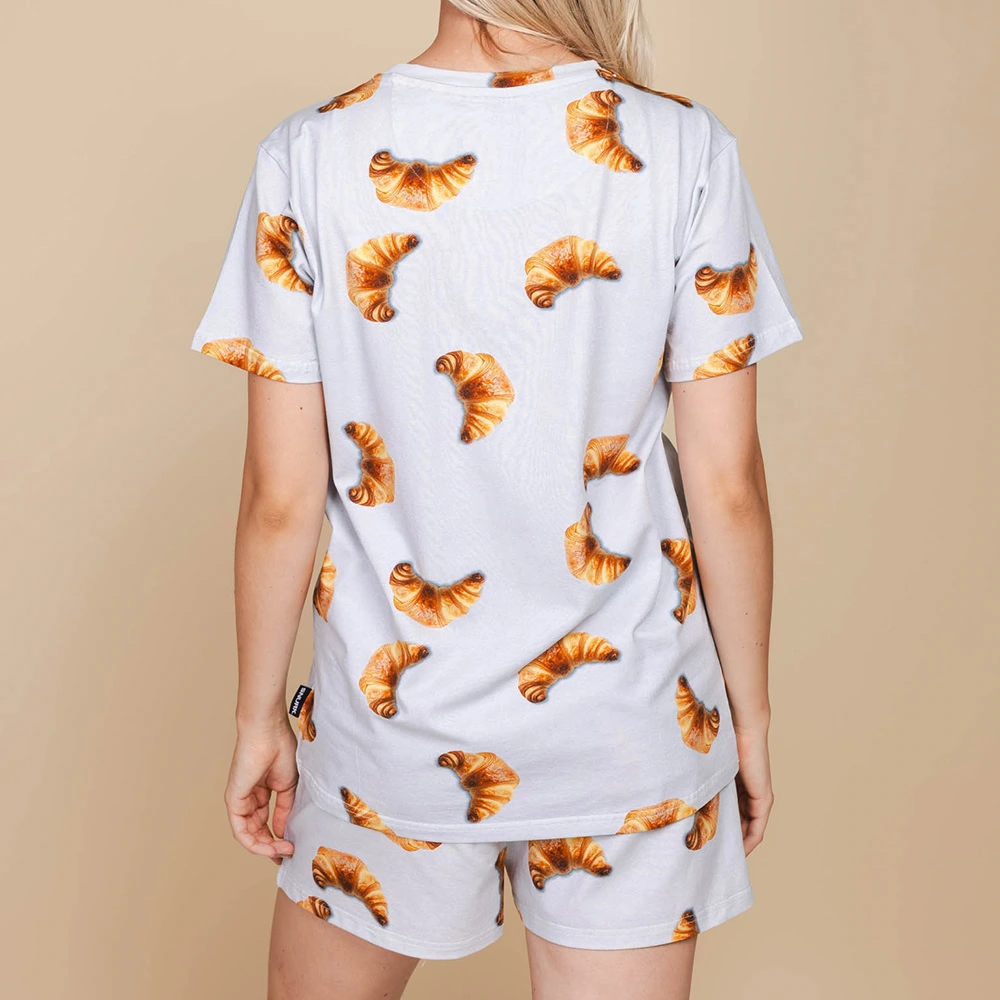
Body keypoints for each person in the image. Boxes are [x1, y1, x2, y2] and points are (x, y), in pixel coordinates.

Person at [189, 1, 804, 996]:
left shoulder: (310, 153)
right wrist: (750, 713)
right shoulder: (685, 147)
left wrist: (259, 716)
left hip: (394, 730)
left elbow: (280, 496)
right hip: (631, 727)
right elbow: (726, 483)